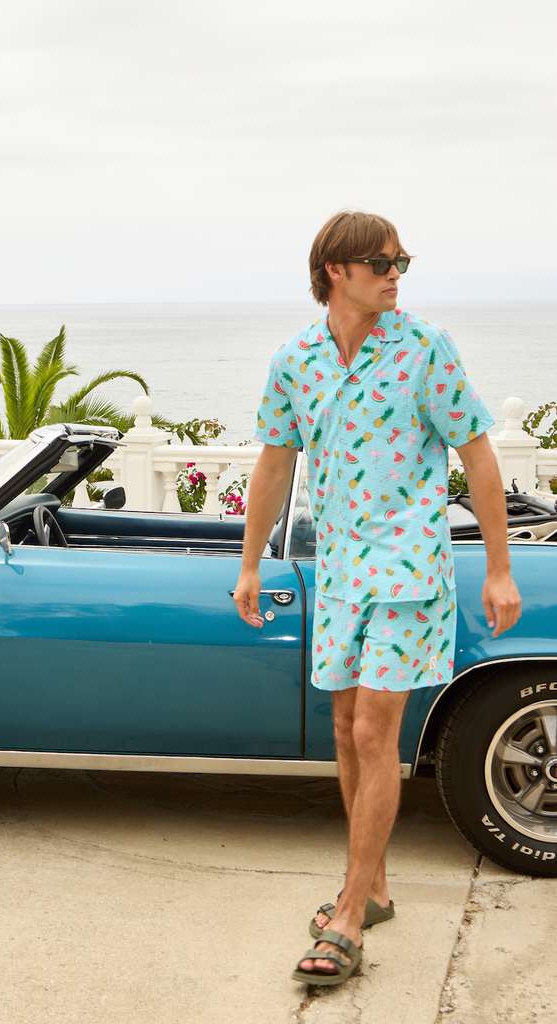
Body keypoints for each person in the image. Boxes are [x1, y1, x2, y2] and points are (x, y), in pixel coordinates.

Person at [232, 210, 522, 987]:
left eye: (402, 260)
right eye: (381, 261)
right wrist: (250, 563)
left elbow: (477, 456)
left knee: (373, 730)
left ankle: (350, 918)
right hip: (338, 572)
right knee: (342, 725)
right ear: (336, 270)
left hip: (407, 573)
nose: (396, 273)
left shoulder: (424, 348)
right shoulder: (296, 359)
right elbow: (271, 465)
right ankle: (379, 883)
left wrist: (497, 568)